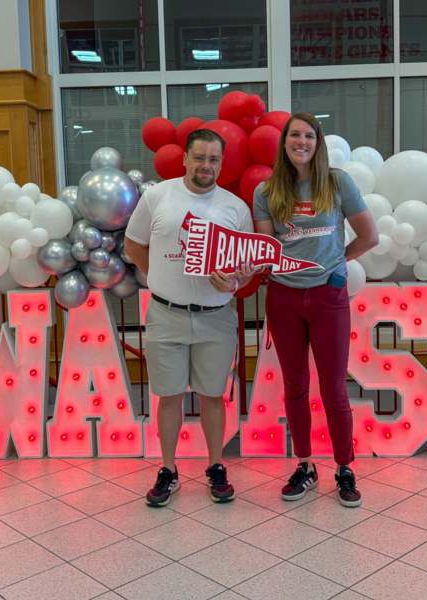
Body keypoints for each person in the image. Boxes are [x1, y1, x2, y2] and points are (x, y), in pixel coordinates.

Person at [253, 113, 378, 507]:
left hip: (328, 296)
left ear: (317, 141)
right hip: (284, 296)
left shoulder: (338, 182)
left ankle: (344, 467)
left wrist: (338, 265)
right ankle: (305, 465)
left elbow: (369, 235)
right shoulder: (266, 190)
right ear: (284, 142)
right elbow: (266, 247)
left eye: (309, 135)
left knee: (334, 388)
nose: (301, 141)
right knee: (294, 387)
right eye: (294, 135)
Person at [124, 128, 255, 507]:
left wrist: (233, 278)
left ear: (221, 163)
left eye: (214, 159)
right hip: (166, 315)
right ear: (185, 158)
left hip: (216, 318)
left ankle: (215, 465)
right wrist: (159, 279)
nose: (206, 166)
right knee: (169, 396)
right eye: (199, 158)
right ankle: (168, 470)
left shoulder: (235, 207)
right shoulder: (158, 196)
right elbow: (134, 243)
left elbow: (246, 268)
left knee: (214, 396)